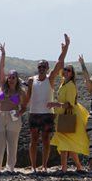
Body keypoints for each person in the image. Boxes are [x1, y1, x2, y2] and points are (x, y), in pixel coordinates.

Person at [27, 35, 70, 173]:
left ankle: (44, 165)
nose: (41, 69)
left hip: (47, 114)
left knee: (46, 140)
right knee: (33, 140)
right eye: (40, 66)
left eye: (44, 67)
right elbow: (25, 96)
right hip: (34, 113)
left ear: (47, 68)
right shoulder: (31, 80)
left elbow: (59, 62)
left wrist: (66, 48)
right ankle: (33, 166)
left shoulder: (50, 79)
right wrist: (20, 107)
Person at [49, 64, 89, 172]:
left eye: (69, 70)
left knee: (64, 142)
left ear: (72, 74)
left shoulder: (70, 85)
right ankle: (78, 166)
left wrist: (55, 105)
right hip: (63, 116)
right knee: (68, 142)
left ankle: (64, 167)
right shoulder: (63, 84)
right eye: (65, 69)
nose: (66, 71)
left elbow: (70, 104)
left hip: (67, 116)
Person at [0, 44, 25, 173]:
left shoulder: (21, 92)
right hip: (0, 115)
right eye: (10, 77)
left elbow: (24, 107)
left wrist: (19, 113)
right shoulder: (3, 86)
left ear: (17, 79)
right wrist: (3, 55)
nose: (11, 79)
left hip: (13, 117)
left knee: (12, 144)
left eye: (13, 77)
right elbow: (0, 69)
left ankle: (10, 167)